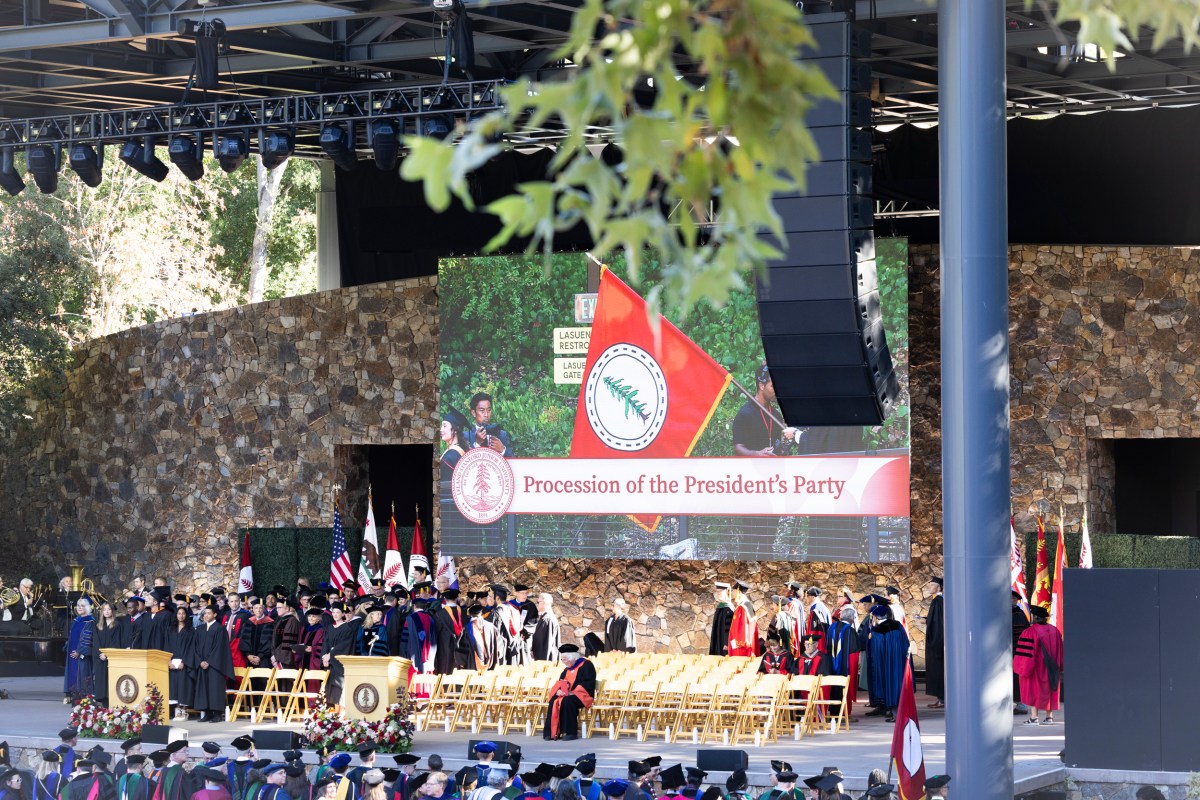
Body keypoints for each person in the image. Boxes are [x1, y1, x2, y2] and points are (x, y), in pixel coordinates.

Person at [1014, 605, 1064, 725]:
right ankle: (1049, 717)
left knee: (1033, 690)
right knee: (1050, 689)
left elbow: (1025, 655)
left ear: (1035, 617)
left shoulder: (1029, 632)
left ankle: (1034, 717)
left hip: (1036, 668)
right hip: (1052, 667)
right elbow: (1061, 651)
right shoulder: (1055, 631)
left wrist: (1022, 668)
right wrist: (1060, 666)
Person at [190, 605, 236, 723]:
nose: (206, 615)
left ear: (215, 615)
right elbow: (194, 648)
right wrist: (200, 661)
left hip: (215, 665)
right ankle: (207, 713)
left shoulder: (220, 629)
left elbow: (220, 648)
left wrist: (209, 661)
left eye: (209, 613)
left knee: (215, 689)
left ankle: (217, 713)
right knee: (204, 689)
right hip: (202, 664)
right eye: (205, 613)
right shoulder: (200, 629)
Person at [865, 604, 909, 723]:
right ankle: (901, 712)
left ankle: (895, 714)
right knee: (899, 685)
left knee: (890, 686)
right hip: (899, 663)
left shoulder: (878, 631)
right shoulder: (898, 625)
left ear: (875, 617)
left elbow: (877, 654)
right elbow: (906, 643)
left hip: (886, 665)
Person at [543, 644, 595, 741]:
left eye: (565, 660)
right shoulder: (567, 669)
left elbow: (588, 682)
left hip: (583, 695)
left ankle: (569, 732)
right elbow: (560, 681)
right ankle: (552, 732)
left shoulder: (586, 665)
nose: (564, 662)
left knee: (567, 701)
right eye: (562, 660)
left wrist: (574, 692)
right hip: (567, 694)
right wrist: (558, 691)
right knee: (554, 699)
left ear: (573, 658)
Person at [824, 604, 861, 717]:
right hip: (845, 668)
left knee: (833, 687)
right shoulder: (850, 631)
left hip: (831, 665)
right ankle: (844, 713)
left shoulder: (831, 628)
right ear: (851, 619)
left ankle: (833, 711)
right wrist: (856, 668)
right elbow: (854, 654)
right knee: (844, 686)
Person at [323, 601, 362, 707]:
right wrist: (324, 658)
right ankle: (330, 711)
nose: (335, 615)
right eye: (333, 612)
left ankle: (339, 711)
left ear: (343, 614)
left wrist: (330, 655)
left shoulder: (347, 629)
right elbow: (325, 644)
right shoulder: (329, 628)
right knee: (328, 687)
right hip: (329, 664)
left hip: (338, 664)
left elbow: (343, 646)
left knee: (338, 687)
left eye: (338, 612)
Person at [92, 601, 128, 706]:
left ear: (112, 611)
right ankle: (102, 702)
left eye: (109, 609)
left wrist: (107, 654)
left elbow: (116, 642)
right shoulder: (98, 626)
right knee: (101, 680)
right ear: (102, 612)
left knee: (110, 681)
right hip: (100, 658)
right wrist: (100, 653)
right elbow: (95, 642)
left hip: (111, 658)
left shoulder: (117, 625)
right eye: (104, 610)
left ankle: (111, 703)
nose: (107, 612)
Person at [166, 604, 196, 720]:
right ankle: (176, 710)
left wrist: (185, 661)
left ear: (186, 615)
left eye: (183, 613)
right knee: (174, 687)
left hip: (184, 662)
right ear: (176, 615)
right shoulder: (170, 629)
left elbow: (192, 647)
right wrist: (168, 660)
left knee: (184, 686)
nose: (181, 615)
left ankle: (183, 710)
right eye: (179, 613)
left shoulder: (190, 630)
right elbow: (166, 645)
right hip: (172, 662)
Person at [64, 598, 95, 703]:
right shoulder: (76, 620)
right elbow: (72, 636)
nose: (79, 608)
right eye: (78, 605)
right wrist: (67, 646)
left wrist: (79, 651)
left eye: (82, 606)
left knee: (82, 672)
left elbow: (88, 639)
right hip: (72, 651)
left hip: (81, 653)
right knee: (72, 672)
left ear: (87, 607)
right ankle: (72, 694)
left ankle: (83, 696)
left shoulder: (90, 621)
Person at [924, 577, 945, 709]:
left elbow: (937, 623)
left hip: (937, 641)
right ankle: (941, 698)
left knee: (938, 670)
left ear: (939, 588)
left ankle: (942, 698)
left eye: (932, 585)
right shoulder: (938, 601)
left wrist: (925, 621)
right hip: (939, 640)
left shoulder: (938, 601)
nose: (929, 587)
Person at [1011, 590, 1031, 714]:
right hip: (1012, 652)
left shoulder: (1018, 615)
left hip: (1015, 652)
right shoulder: (1013, 614)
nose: (1010, 601)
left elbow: (1019, 634)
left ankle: (1021, 704)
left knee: (1016, 676)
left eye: (1013, 599)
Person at [727, 582, 760, 658]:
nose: (732, 592)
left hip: (741, 646)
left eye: (734, 590)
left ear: (739, 591)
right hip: (749, 642)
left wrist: (737, 643)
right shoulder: (748, 605)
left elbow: (742, 628)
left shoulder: (742, 607)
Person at [440, 409, 471, 480]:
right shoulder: (461, 451)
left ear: (455, 430)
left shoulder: (449, 458)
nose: (441, 429)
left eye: (444, 426)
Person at [466, 605, 498, 671]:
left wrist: (462, 663)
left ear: (471, 615)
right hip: (490, 662)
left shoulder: (467, 628)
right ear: (481, 613)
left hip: (473, 665)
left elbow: (462, 648)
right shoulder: (491, 626)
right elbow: (496, 643)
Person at [530, 594, 559, 662]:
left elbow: (546, 644)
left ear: (544, 602)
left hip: (545, 660)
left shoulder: (547, 619)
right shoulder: (546, 617)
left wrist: (542, 663)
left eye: (538, 602)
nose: (537, 605)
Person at [709, 583, 734, 656]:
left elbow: (729, 627)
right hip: (717, 638)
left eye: (720, 591)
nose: (718, 593)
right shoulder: (720, 606)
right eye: (717, 591)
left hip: (723, 642)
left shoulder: (729, 608)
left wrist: (726, 643)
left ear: (726, 592)